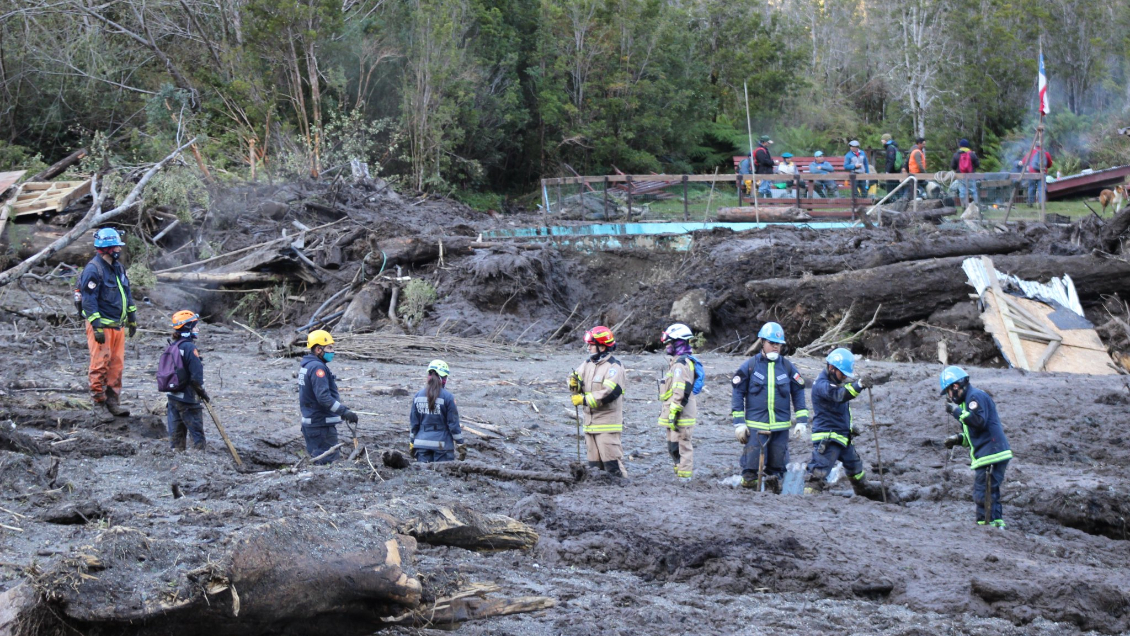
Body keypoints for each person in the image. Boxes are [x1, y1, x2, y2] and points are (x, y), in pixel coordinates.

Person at [731, 322, 808, 492]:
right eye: (771, 343)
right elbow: (737, 393)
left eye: (778, 344)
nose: (775, 347)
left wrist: (802, 421)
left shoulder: (787, 367)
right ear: (762, 342)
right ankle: (749, 494)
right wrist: (739, 423)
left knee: (778, 467)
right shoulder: (750, 365)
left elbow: (798, 392)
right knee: (750, 468)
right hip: (755, 427)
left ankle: (773, 495)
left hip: (780, 428)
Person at [804, 348, 889, 496]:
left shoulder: (834, 382)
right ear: (832, 368)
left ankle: (864, 494)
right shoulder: (822, 385)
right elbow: (839, 395)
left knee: (856, 470)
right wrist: (859, 384)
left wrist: (848, 427)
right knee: (818, 474)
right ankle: (808, 500)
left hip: (842, 436)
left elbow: (838, 410)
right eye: (842, 374)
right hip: (829, 438)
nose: (844, 377)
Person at [941, 366, 1013, 528]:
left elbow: (978, 422)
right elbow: (974, 434)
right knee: (991, 491)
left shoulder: (975, 397)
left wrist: (956, 412)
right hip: (992, 452)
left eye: (948, 392)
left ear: (956, 386)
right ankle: (996, 524)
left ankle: (985, 526)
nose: (949, 397)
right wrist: (958, 439)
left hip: (991, 454)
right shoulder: (967, 402)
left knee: (983, 492)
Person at [79, 227, 138, 423]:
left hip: (117, 325)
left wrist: (132, 317)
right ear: (106, 248)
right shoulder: (93, 270)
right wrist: (96, 326)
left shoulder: (118, 267)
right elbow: (88, 300)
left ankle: (113, 401)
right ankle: (98, 404)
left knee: (116, 365)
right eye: (115, 246)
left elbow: (126, 293)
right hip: (102, 326)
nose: (119, 249)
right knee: (100, 364)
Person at [569, 325, 629, 477]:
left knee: (612, 465)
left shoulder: (614, 367)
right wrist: (573, 383)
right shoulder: (587, 364)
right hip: (590, 425)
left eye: (591, 345)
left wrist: (583, 400)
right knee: (594, 468)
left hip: (607, 425)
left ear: (602, 347)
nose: (588, 348)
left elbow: (609, 393)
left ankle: (623, 488)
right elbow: (575, 378)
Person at [297, 330, 358, 464]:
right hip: (321, 426)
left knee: (317, 461)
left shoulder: (307, 366)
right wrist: (344, 412)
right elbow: (323, 397)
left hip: (312, 424)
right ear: (318, 349)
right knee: (327, 464)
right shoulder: (317, 368)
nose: (332, 351)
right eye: (329, 348)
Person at [657, 324, 698, 481]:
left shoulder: (681, 364)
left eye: (669, 343)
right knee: (673, 447)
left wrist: (674, 412)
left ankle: (685, 479)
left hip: (681, 414)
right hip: (674, 413)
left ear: (678, 342)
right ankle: (679, 474)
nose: (667, 346)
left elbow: (680, 390)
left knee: (682, 447)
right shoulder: (676, 363)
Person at [165, 311, 208, 451]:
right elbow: (196, 378)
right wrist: (203, 394)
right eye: (195, 326)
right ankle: (199, 460)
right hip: (188, 400)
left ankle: (176, 459)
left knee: (176, 441)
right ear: (188, 327)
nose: (197, 329)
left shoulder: (172, 346)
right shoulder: (190, 348)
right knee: (197, 438)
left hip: (172, 398)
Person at [409, 360, 465, 463]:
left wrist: (412, 443)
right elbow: (453, 424)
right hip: (442, 446)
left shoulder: (417, 396)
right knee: (441, 472)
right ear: (444, 378)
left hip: (421, 444)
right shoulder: (448, 397)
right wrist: (460, 444)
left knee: (423, 472)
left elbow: (414, 424)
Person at [951, 138, 981, 205]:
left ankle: (964, 206)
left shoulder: (956, 155)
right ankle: (976, 205)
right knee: (973, 191)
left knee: (962, 191)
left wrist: (958, 169)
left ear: (960, 146)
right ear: (967, 146)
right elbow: (977, 164)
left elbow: (953, 166)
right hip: (971, 175)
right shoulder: (972, 154)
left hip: (960, 176)